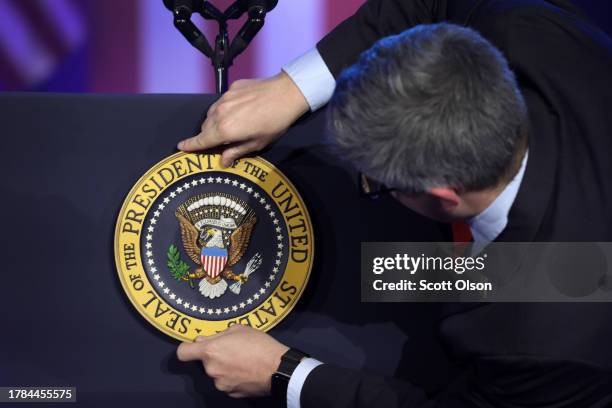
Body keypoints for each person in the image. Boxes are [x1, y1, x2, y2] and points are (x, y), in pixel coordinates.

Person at [176, 0, 612, 406]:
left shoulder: (542, 344)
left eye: (377, 183)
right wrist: (293, 88)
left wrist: (287, 374)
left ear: (443, 192)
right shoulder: (525, 27)